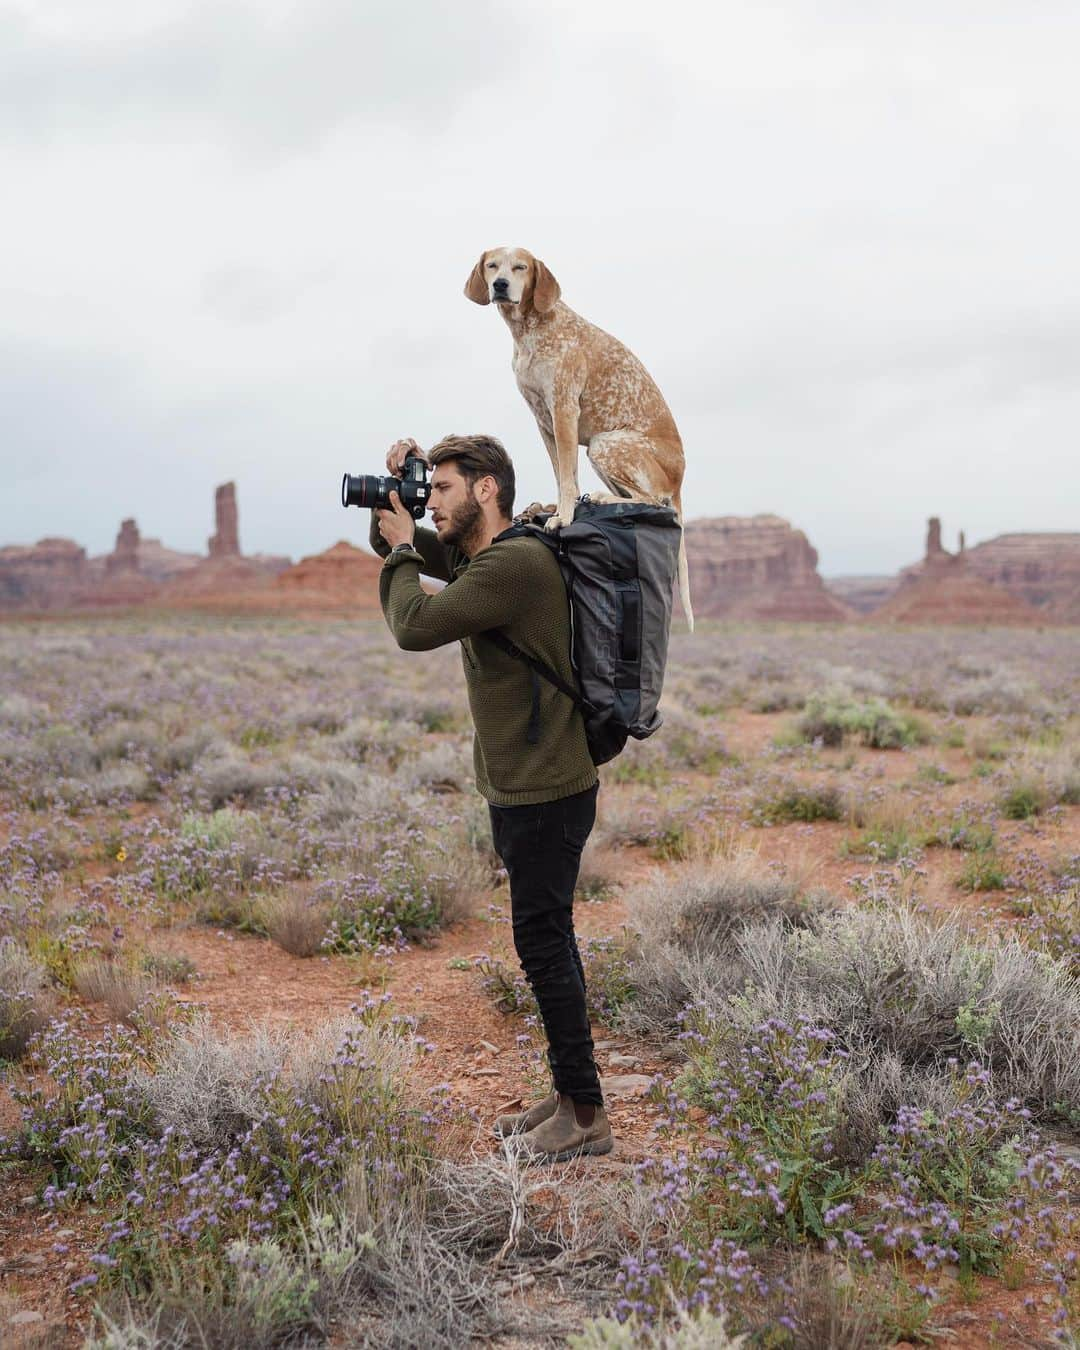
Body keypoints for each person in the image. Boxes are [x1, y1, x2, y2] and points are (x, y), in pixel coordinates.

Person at [369, 433, 612, 1162]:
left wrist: (407, 546)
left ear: (484, 491)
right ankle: (570, 1095)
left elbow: (414, 624)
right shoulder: (490, 559)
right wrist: (398, 498)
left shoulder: (513, 564)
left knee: (544, 948)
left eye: (441, 489)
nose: (431, 503)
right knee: (550, 943)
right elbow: (406, 555)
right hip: (529, 786)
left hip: (544, 790)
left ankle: (588, 1115)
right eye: (429, 490)